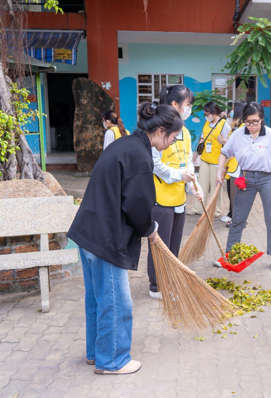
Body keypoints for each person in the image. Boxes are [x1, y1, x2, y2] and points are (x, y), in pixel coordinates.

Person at [67, 102, 183, 375]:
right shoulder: (140, 157)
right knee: (116, 301)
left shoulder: (124, 144)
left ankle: (97, 354)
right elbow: (138, 205)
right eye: (173, 138)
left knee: (97, 298)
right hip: (106, 237)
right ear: (162, 131)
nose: (172, 143)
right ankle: (113, 361)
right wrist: (150, 228)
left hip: (87, 233)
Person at [146, 85, 203, 300]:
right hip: (160, 199)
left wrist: (192, 186)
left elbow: (187, 163)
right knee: (160, 246)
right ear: (174, 105)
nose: (189, 109)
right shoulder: (158, 129)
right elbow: (155, 164)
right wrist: (179, 175)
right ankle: (156, 286)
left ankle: (169, 280)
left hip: (179, 199)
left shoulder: (186, 132)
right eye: (188, 105)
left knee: (173, 245)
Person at [216, 102, 271, 273]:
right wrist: (219, 171)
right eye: (248, 122)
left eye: (255, 121)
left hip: (267, 179)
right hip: (246, 178)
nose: (251, 126)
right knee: (238, 217)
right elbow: (225, 152)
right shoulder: (238, 134)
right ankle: (230, 253)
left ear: (262, 119)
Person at [188, 101, 231, 217]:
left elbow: (230, 143)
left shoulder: (224, 125)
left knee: (215, 187)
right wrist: (197, 152)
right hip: (205, 158)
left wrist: (224, 141)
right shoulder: (207, 123)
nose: (206, 116)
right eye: (205, 114)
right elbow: (202, 138)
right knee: (201, 184)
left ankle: (215, 210)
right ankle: (199, 208)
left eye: (208, 114)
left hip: (217, 161)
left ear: (214, 112)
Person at [221, 101, 246, 227]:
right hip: (232, 166)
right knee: (232, 194)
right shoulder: (234, 127)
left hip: (239, 167)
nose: (230, 112)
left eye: (232, 109)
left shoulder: (243, 128)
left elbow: (239, 146)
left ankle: (239, 220)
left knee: (238, 196)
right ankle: (233, 216)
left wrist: (226, 142)